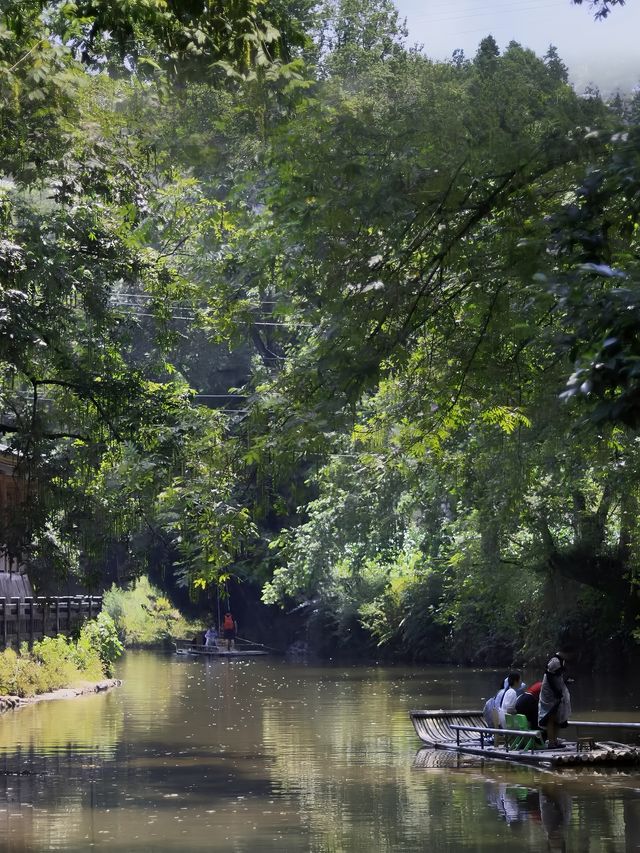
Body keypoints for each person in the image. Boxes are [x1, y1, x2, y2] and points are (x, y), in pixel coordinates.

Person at [538, 652, 572, 749]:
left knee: (557, 718)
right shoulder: (555, 661)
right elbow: (549, 676)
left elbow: (557, 678)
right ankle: (551, 743)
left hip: (557, 694)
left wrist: (565, 682)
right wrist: (556, 691)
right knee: (551, 718)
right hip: (550, 695)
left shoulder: (561, 662)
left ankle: (555, 741)